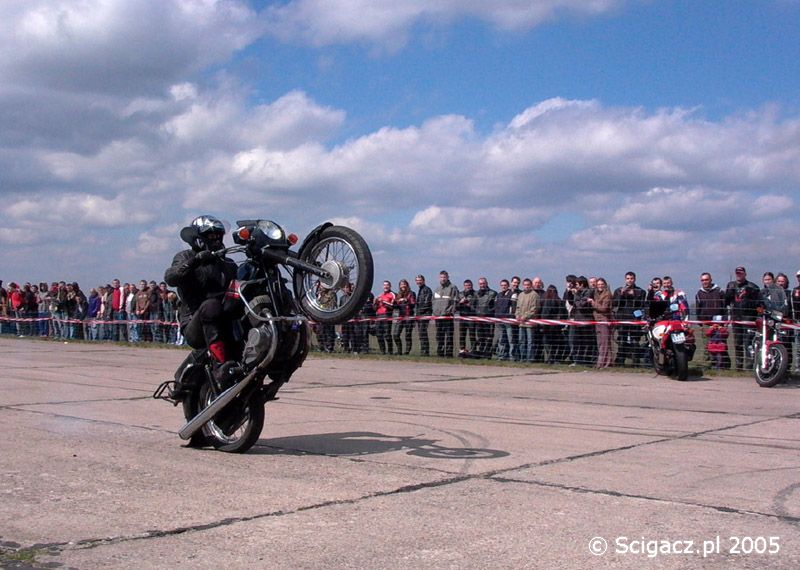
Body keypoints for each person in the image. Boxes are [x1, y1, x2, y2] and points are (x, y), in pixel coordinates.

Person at [164, 215, 240, 397]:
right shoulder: (185, 256)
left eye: (218, 235)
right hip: (194, 324)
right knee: (211, 305)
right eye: (211, 236)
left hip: (223, 322)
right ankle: (219, 365)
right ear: (198, 238)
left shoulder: (228, 263)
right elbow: (171, 277)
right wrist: (195, 261)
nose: (216, 239)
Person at [724, 266, 761, 370]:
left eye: (741, 273)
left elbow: (759, 303)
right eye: (737, 273)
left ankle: (749, 367)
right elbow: (726, 302)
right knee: (737, 343)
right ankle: (738, 367)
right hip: (736, 318)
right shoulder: (731, 285)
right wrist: (728, 294)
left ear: (745, 274)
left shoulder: (752, 286)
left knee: (748, 343)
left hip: (749, 318)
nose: (739, 275)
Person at [612, 271, 646, 366]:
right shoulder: (618, 290)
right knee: (622, 341)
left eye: (631, 278)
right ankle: (620, 362)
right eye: (628, 278)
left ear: (635, 279)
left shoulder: (640, 291)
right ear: (625, 279)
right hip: (622, 319)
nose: (629, 280)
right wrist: (621, 294)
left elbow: (641, 304)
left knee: (635, 341)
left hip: (634, 319)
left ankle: (635, 362)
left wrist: (634, 295)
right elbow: (614, 303)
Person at [695, 272, 729, 368]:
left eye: (706, 280)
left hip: (719, 323)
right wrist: (701, 323)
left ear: (711, 280)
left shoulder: (719, 291)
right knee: (707, 345)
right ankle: (709, 365)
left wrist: (725, 321)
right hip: (706, 323)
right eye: (702, 280)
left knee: (721, 345)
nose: (704, 282)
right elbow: (698, 309)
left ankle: (725, 365)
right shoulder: (699, 293)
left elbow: (725, 307)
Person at [433, 270, 458, 357]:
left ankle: (448, 354)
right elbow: (433, 301)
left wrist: (451, 311)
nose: (443, 279)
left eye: (444, 277)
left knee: (449, 336)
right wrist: (435, 311)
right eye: (441, 277)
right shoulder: (437, 289)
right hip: (438, 316)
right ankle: (440, 353)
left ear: (447, 277)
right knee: (439, 336)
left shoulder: (452, 288)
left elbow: (455, 301)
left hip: (447, 316)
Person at [515, 278, 541, 362]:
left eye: (528, 285)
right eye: (525, 285)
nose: (526, 286)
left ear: (531, 285)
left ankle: (530, 358)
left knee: (530, 341)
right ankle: (522, 358)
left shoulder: (535, 295)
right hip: (521, 323)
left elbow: (535, 309)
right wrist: (517, 315)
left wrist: (525, 316)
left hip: (530, 323)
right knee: (521, 341)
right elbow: (517, 307)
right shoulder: (520, 295)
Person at [541, 285, 568, 364]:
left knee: (547, 343)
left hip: (548, 326)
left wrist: (542, 325)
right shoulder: (559, 301)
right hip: (556, 326)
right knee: (555, 343)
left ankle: (550, 358)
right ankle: (554, 358)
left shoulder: (545, 301)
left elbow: (544, 314)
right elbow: (564, 314)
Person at [591, 277, 613, 368]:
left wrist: (593, 303)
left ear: (605, 285)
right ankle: (604, 362)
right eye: (598, 284)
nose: (600, 286)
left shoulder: (607, 295)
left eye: (602, 284)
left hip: (604, 320)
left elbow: (603, 308)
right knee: (600, 342)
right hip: (597, 320)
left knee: (604, 343)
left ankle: (603, 363)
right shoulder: (596, 294)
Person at [474, 277, 497, 358]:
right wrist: (476, 312)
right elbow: (473, 305)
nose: (482, 285)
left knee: (489, 337)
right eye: (480, 284)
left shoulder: (493, 293)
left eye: (483, 283)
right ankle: (480, 353)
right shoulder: (476, 293)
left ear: (486, 283)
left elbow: (495, 306)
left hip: (489, 319)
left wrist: (489, 312)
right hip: (479, 319)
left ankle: (487, 354)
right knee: (480, 337)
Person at [393, 279, 416, 355]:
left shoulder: (411, 293)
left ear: (407, 285)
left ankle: (407, 352)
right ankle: (399, 351)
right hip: (400, 317)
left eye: (404, 284)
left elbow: (413, 304)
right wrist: (394, 303)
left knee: (408, 335)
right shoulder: (398, 295)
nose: (403, 286)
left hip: (409, 317)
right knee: (395, 334)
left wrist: (407, 301)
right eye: (401, 284)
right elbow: (396, 306)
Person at [373, 280, 396, 355]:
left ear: (390, 286)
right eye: (384, 285)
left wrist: (383, 302)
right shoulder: (380, 295)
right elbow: (375, 308)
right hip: (378, 316)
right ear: (382, 286)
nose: (386, 286)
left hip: (387, 316)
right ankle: (382, 351)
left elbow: (392, 306)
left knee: (387, 335)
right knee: (379, 335)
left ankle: (390, 351)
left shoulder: (392, 294)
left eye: (387, 285)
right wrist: (375, 303)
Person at [495, 279, 514, 360]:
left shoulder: (512, 294)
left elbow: (513, 308)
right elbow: (496, 307)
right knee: (501, 339)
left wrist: (511, 317)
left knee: (511, 339)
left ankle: (512, 356)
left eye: (505, 285)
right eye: (502, 285)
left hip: (508, 321)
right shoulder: (498, 295)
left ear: (508, 286)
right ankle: (502, 355)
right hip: (500, 320)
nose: (503, 287)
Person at [456, 279, 477, 354]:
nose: (467, 287)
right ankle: (462, 350)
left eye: (469, 285)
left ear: (472, 286)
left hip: (471, 317)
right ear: (464, 286)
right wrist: (460, 302)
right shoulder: (460, 294)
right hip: (462, 317)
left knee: (472, 335)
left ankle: (473, 350)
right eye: (466, 285)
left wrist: (470, 305)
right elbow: (456, 307)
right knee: (462, 335)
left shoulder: (475, 294)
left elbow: (477, 307)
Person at [415, 275, 433, 356]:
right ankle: (423, 350)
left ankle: (425, 351)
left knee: (423, 333)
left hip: (425, 314)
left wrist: (419, 312)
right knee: (421, 333)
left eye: (420, 280)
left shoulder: (427, 289)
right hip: (419, 315)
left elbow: (427, 303)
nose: (418, 282)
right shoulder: (420, 290)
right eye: (417, 280)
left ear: (423, 280)